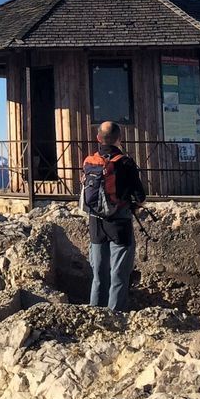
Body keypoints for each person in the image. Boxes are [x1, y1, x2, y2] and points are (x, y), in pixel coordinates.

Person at [83, 121, 146, 311]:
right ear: (119, 139)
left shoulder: (89, 161)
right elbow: (140, 196)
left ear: (98, 139)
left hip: (96, 223)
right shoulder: (125, 162)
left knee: (99, 275)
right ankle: (116, 316)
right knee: (118, 274)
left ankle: (95, 314)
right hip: (119, 223)